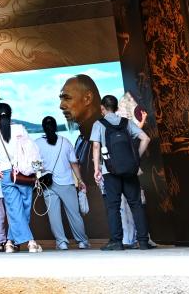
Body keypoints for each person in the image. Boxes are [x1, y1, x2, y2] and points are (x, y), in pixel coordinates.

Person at [90, 94, 153, 251]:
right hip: (130, 170)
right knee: (136, 205)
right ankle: (143, 241)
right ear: (117, 108)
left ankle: (116, 242)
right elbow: (146, 139)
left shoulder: (98, 124)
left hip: (109, 171)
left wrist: (96, 168)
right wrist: (135, 158)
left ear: (102, 108)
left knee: (113, 207)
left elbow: (96, 146)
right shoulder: (127, 122)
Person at [0, 102, 42, 253]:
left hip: (6, 174)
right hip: (23, 173)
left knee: (14, 210)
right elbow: (32, 151)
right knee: (23, 209)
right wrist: (37, 172)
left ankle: (9, 242)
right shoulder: (20, 129)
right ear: (10, 113)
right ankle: (31, 242)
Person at [36, 116, 89, 250]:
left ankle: (61, 242)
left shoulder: (37, 143)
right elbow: (74, 164)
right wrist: (80, 180)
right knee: (74, 214)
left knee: (53, 215)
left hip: (47, 184)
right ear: (55, 127)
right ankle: (82, 241)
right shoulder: (65, 142)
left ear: (43, 128)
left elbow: (35, 165)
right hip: (66, 183)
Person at [59, 74, 101, 167]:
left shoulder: (106, 135)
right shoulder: (81, 139)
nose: (61, 106)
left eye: (67, 98)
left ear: (88, 98)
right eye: (61, 99)